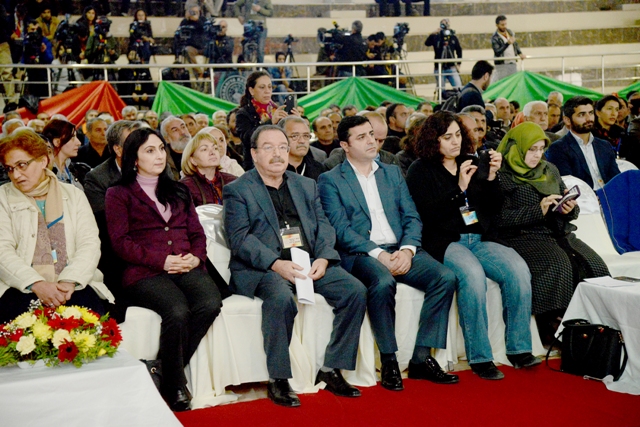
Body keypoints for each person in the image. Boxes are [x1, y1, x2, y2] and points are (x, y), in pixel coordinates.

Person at [223, 125, 367, 407]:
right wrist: (276, 264)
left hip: (309, 261)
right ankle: (278, 379)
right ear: (254, 153)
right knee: (280, 299)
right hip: (265, 266)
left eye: (282, 147)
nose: (277, 154)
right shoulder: (238, 190)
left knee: (355, 291)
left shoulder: (306, 185)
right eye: (268, 147)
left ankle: (332, 368)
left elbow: (323, 225)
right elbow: (240, 239)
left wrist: (324, 257)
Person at [318, 115, 458, 391]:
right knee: (383, 282)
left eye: (371, 134)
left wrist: (407, 250)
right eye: (361, 137)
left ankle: (421, 359)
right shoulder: (330, 180)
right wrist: (379, 254)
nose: (371, 141)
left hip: (400, 248)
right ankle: (389, 359)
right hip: (362, 254)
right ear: (345, 146)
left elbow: (411, 217)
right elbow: (341, 230)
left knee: (445, 278)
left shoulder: (392, 172)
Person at [406, 111, 539, 380]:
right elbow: (428, 215)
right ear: (433, 140)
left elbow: (494, 206)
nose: (455, 141)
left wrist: (491, 177)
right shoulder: (420, 170)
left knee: (518, 269)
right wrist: (459, 188)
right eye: (447, 137)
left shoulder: (471, 161)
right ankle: (480, 357)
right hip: (445, 240)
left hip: (479, 237)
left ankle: (519, 348)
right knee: (473, 275)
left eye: (458, 135)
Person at [105, 128, 222, 411]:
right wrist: (162, 261)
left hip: (186, 264)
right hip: (144, 271)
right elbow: (121, 243)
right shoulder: (118, 193)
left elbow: (196, 233)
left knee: (210, 302)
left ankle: (164, 371)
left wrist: (196, 258)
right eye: (149, 151)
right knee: (177, 310)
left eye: (160, 148)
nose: (159, 155)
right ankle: (176, 384)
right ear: (134, 159)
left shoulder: (179, 190)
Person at [496, 122, 610, 340]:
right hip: (523, 237)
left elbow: (566, 205)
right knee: (559, 265)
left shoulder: (549, 169)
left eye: (541, 149)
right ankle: (556, 328)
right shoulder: (502, 175)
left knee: (595, 265)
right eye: (531, 149)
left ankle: (597, 328)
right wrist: (538, 211)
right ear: (516, 147)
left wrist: (569, 208)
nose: (537, 155)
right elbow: (498, 219)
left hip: (560, 234)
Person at [0, 130, 114, 324]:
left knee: (89, 329)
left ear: (43, 161)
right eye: (10, 169)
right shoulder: (3, 197)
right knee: (24, 333)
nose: (16, 175)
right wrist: (36, 283)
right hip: (20, 286)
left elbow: (89, 244)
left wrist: (69, 280)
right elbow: (3, 251)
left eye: (22, 165)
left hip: (74, 285)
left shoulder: (73, 195)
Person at [546, 96, 620, 190]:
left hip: (609, 195)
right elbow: (567, 186)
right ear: (567, 120)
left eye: (591, 113)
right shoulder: (559, 148)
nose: (588, 119)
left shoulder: (604, 145)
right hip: (583, 197)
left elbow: (616, 179)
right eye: (581, 114)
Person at [236, 71, 299, 170]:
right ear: (251, 90)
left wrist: (295, 122)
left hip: (281, 162)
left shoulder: (277, 110)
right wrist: (270, 122)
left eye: (269, 87)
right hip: (256, 166)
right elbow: (248, 138)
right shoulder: (243, 113)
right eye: (262, 87)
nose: (267, 91)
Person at [324, 111, 399, 170]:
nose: (375, 144)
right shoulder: (333, 164)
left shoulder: (392, 160)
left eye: (381, 141)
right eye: (374, 138)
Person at [180, 131, 237, 206]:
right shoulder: (184, 187)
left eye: (215, 148)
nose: (212, 152)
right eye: (204, 149)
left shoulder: (233, 181)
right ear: (193, 160)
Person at [280, 116, 326, 181]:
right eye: (295, 136)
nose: (302, 141)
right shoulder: (273, 169)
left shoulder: (319, 169)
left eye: (306, 136)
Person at [42, 119, 85, 189]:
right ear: (57, 142)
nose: (79, 143)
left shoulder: (77, 170)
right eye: (72, 138)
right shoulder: (44, 174)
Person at [425, 19, 462, 99]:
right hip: (439, 68)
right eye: (443, 25)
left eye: (447, 25)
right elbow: (427, 43)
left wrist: (459, 64)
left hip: (451, 68)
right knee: (441, 91)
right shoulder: (436, 37)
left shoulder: (453, 37)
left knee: (459, 88)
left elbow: (459, 50)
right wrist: (433, 33)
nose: (445, 27)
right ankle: (441, 103)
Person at [21, 20, 53, 98]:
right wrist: (21, 69)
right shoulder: (26, 41)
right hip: (30, 74)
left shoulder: (45, 41)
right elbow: (23, 56)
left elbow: (50, 59)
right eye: (32, 29)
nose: (35, 32)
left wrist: (44, 52)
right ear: (27, 29)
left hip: (43, 75)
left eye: (37, 30)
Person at [491, 15, 525, 82]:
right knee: (504, 82)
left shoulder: (510, 32)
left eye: (505, 24)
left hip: (512, 62)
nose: (504, 26)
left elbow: (515, 44)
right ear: (497, 25)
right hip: (502, 65)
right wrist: (507, 44)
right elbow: (497, 52)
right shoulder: (495, 37)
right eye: (502, 25)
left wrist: (520, 53)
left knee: (514, 81)